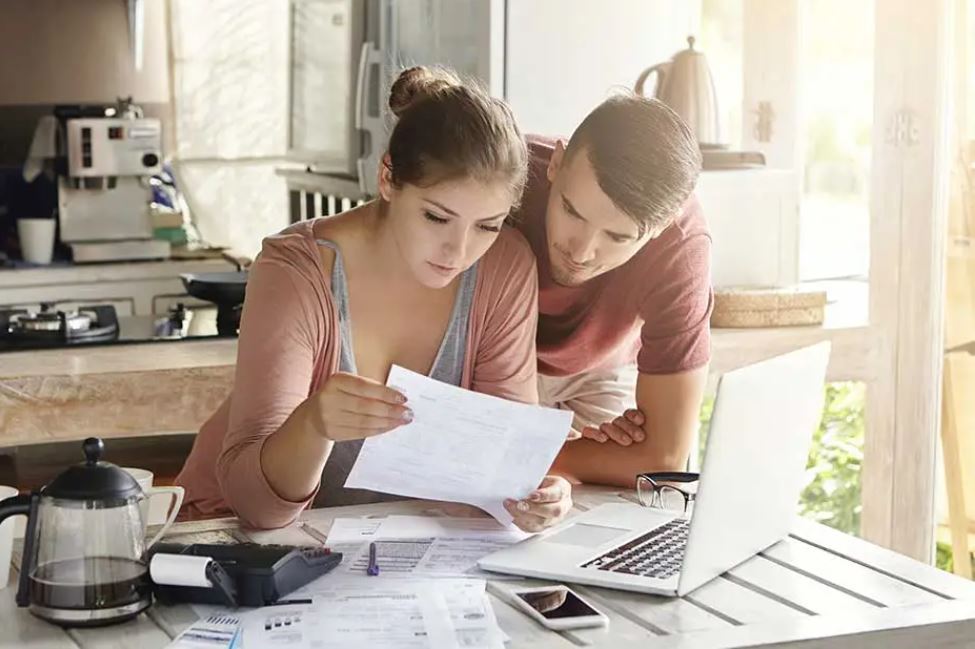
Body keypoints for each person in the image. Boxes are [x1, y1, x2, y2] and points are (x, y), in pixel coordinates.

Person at [175, 66, 572, 533]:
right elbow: (257, 509)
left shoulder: (505, 266)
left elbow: (498, 465)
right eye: (436, 217)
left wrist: (533, 495)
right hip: (234, 542)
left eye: (486, 225)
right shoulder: (295, 271)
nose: (459, 251)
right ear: (387, 178)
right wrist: (313, 425)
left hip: (381, 553)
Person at [511, 95, 713, 488]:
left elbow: (664, 459)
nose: (581, 252)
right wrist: (525, 447)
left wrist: (529, 452)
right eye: (571, 211)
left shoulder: (682, 246)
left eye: (617, 236)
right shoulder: (504, 173)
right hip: (488, 361)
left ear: (661, 227)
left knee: (617, 507)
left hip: (598, 370)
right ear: (555, 163)